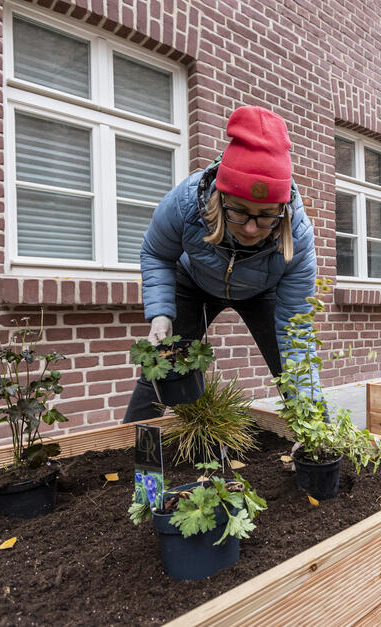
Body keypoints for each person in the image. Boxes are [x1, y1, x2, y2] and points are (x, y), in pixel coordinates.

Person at [123, 105, 318, 423]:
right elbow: (157, 253)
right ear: (220, 198)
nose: (252, 228)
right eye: (240, 211)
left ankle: (312, 440)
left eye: (267, 215)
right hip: (194, 281)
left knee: (290, 366)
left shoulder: (297, 236)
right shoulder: (186, 202)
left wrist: (312, 422)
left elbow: (297, 333)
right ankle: (133, 448)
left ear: (282, 210)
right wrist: (160, 315)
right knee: (161, 368)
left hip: (262, 288)